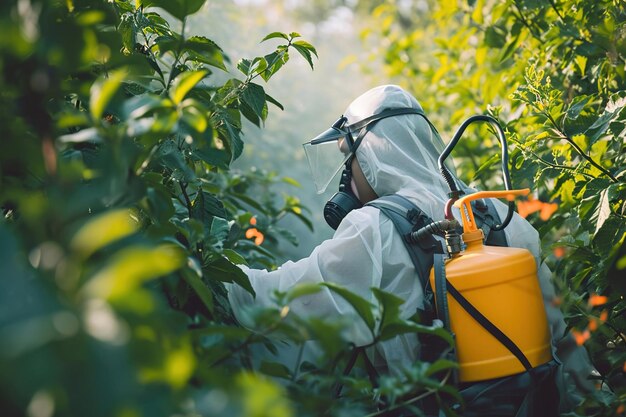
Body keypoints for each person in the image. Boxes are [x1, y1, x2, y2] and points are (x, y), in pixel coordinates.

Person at [227, 85, 595, 412]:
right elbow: (562, 340)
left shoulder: (373, 228)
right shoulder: (500, 214)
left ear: (369, 154)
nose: (347, 172)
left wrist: (205, 264)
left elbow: (277, 302)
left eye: (348, 157)